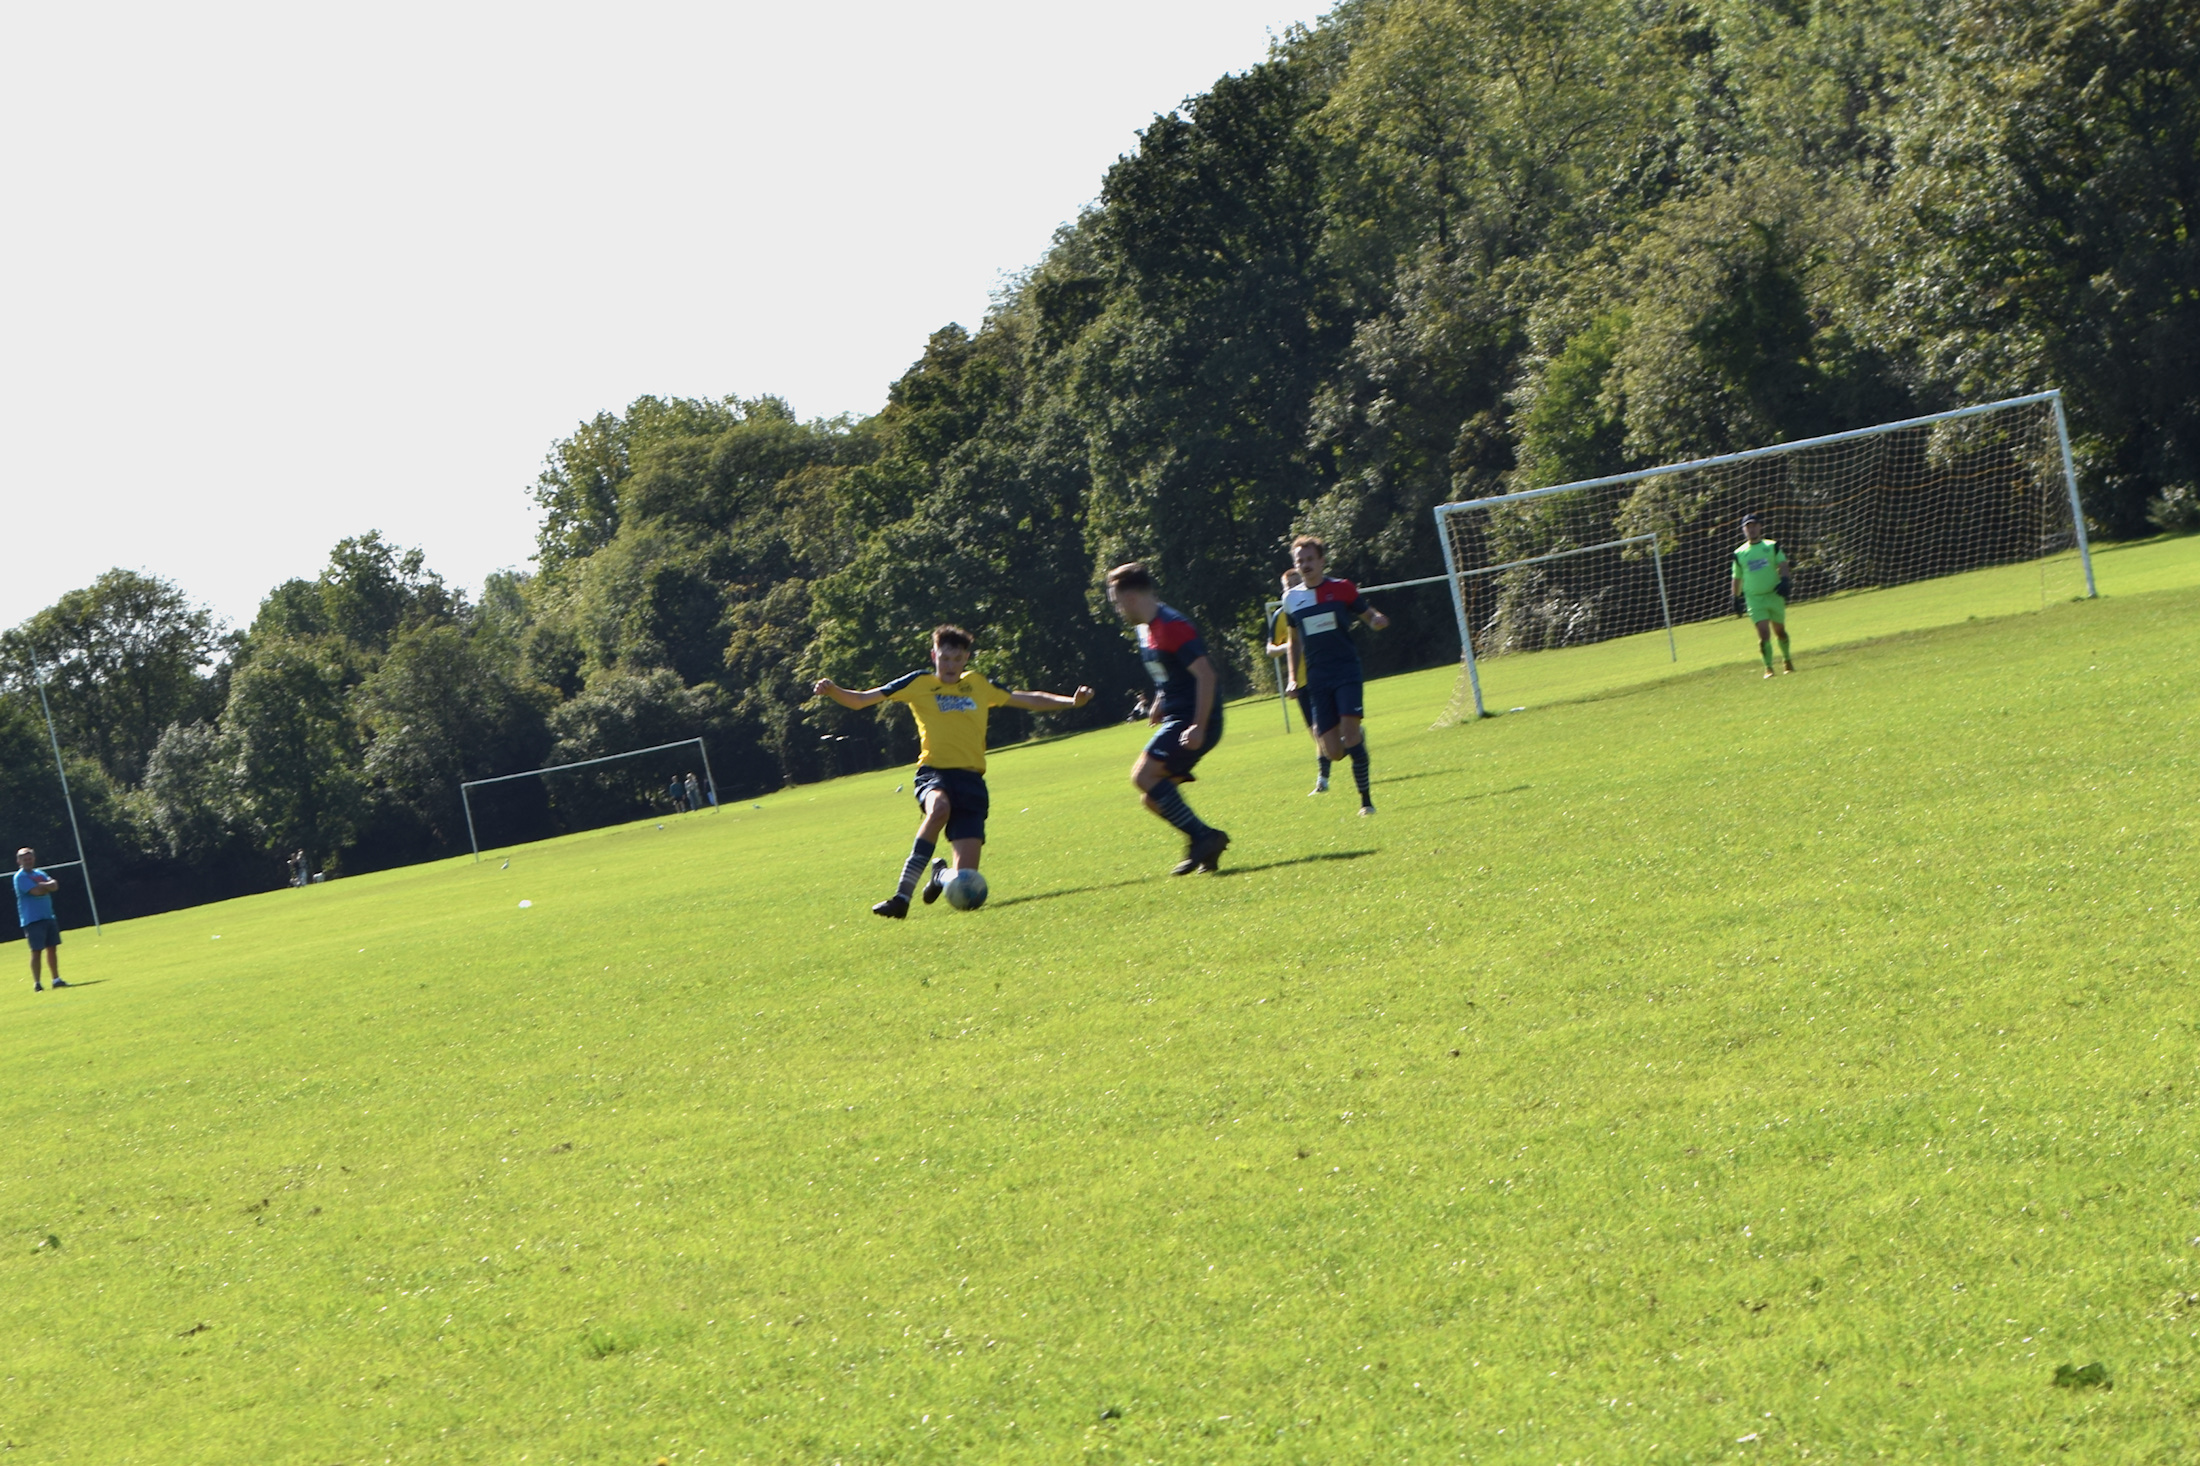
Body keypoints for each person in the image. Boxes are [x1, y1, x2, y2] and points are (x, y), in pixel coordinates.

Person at [813, 624, 1093, 918]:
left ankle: (940, 875)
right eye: (944, 658)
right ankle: (901, 897)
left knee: (966, 884)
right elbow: (860, 700)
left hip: (971, 782)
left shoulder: (978, 685)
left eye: (957, 659)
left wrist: (1072, 702)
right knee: (939, 809)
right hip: (934, 774)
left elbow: (1028, 699)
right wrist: (833, 691)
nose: (950, 666)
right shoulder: (919, 683)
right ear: (933, 655)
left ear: (966, 658)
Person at [1105, 562, 1231, 874]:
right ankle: (1206, 843)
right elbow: (1170, 673)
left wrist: (1199, 726)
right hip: (1177, 717)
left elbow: (1206, 676)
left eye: (1117, 602)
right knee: (1153, 798)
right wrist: (1160, 700)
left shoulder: (1173, 625)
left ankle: (1204, 837)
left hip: (1195, 720)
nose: (1117, 609)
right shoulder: (1145, 630)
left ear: (1131, 597)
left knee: (1142, 776)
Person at [1276, 536, 1388, 815]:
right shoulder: (1291, 599)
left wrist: (1375, 619)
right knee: (1333, 752)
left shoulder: (1342, 588)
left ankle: (1366, 802)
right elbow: (1294, 641)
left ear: (1322, 561)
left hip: (1346, 669)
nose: (1305, 565)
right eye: (1300, 561)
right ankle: (1356, 740)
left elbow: (1367, 612)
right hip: (1317, 678)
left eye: (1310, 559)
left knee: (1349, 735)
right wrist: (1292, 677)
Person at [1264, 567, 1331, 795]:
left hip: (1322, 673)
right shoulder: (1281, 615)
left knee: (1320, 729)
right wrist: (1288, 646)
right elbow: (1270, 649)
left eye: (1296, 582)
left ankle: (1322, 780)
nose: (1292, 588)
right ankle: (1350, 744)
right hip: (1300, 681)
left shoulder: (1314, 604)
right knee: (1318, 734)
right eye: (1288, 585)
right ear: (1283, 590)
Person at [1730, 514, 1795, 678]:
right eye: (1748, 527)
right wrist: (1735, 597)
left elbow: (1783, 564)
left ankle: (1787, 660)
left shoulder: (1771, 546)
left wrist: (1785, 580)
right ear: (1744, 530)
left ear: (1760, 527)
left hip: (1774, 594)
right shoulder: (1739, 553)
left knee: (1780, 631)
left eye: (1754, 526)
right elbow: (1737, 577)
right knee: (1763, 632)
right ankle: (1768, 667)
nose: (1751, 529)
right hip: (1754, 598)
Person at [15, 848, 66, 991]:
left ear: (34, 858)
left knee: (52, 948)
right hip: (33, 919)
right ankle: (37, 983)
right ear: (19, 861)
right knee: (36, 951)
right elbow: (36, 892)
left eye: (30, 858)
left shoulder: (39, 873)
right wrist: (46, 886)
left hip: (48, 916)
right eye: (24, 859)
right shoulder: (20, 877)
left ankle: (56, 979)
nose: (28, 861)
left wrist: (43, 885)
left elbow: (55, 886)